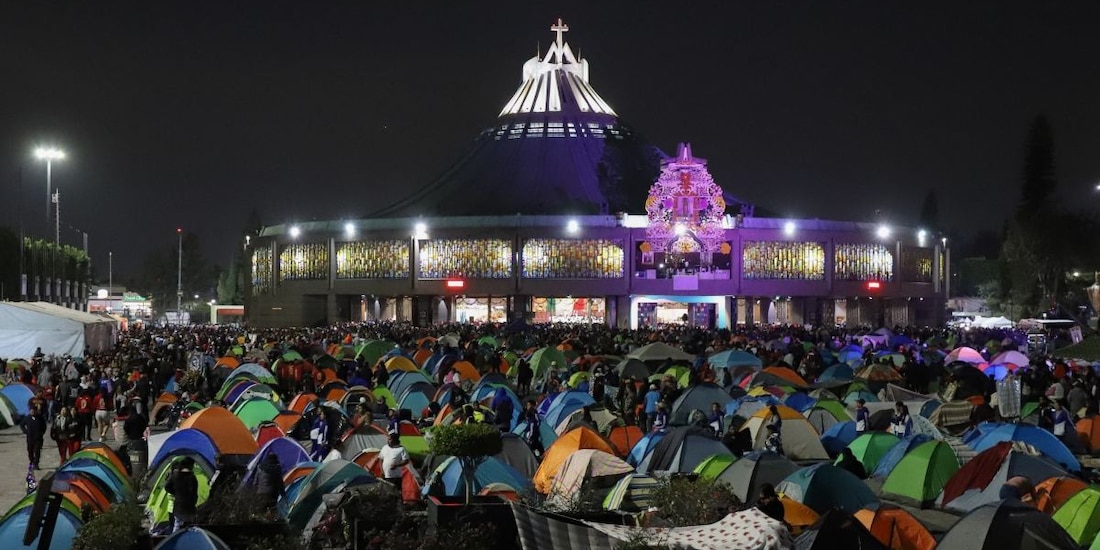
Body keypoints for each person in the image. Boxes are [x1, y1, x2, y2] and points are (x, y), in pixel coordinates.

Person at [165, 457, 199, 532]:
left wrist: (176, 493)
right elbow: (194, 492)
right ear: (191, 466)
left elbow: (167, 487)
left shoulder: (175, 476)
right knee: (190, 527)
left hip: (178, 505)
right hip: (189, 506)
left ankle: (175, 541)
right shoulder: (192, 477)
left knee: (177, 525)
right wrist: (194, 501)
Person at [22, 403, 48, 470]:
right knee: (30, 451)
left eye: (33, 410)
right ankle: (32, 462)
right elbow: (22, 425)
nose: (32, 412)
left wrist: (41, 433)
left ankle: (36, 464)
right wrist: (25, 431)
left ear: (36, 411)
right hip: (30, 438)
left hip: (38, 438)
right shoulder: (27, 418)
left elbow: (44, 426)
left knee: (37, 451)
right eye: (31, 410)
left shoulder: (40, 418)